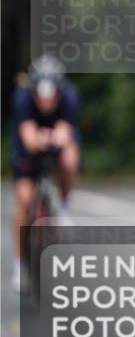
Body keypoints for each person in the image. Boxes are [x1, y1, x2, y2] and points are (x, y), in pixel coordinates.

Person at [10, 54, 81, 293]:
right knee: (24, 201)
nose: (46, 101)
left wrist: (58, 137)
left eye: (51, 96)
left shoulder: (70, 97)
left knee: (69, 159)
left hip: (55, 138)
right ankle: (19, 263)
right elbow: (29, 139)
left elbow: (65, 131)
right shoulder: (22, 98)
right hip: (27, 145)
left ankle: (64, 205)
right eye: (41, 96)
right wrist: (41, 138)